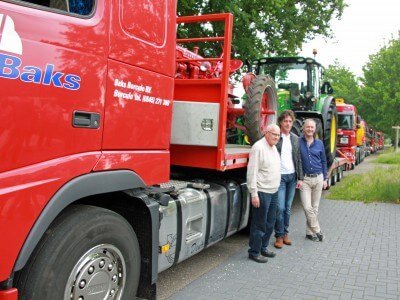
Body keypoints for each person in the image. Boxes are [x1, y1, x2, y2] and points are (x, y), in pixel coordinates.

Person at [247, 124, 281, 263]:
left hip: (273, 191)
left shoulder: (273, 148)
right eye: (274, 134)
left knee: (270, 222)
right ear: (266, 133)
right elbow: (252, 172)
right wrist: (254, 194)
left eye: (278, 135)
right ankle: (254, 252)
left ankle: (264, 247)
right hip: (262, 192)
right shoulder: (258, 147)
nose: (276, 137)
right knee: (259, 224)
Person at [273, 110, 304, 249]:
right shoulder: (276, 137)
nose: (288, 123)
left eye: (290, 121)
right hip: (279, 177)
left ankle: (285, 233)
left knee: (287, 209)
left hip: (292, 177)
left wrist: (300, 177)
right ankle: (278, 236)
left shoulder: (295, 138)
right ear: (280, 122)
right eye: (285, 121)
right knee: (279, 208)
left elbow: (298, 159)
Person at [299, 118, 328, 242]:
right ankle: (317, 230)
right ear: (303, 128)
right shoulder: (298, 142)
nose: (310, 129)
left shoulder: (320, 143)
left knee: (314, 207)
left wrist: (325, 179)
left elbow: (324, 161)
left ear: (315, 129)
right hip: (305, 179)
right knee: (307, 207)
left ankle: (309, 233)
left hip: (318, 178)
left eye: (312, 127)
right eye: (307, 127)